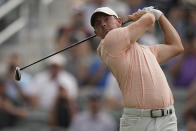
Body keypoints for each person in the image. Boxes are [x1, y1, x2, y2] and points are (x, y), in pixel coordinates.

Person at [90, 6, 184, 131]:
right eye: (97, 23)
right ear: (96, 33)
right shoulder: (109, 42)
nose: (103, 24)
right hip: (139, 121)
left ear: (119, 21)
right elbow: (149, 19)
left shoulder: (146, 50)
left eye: (106, 19)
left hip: (167, 119)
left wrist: (161, 16)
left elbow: (176, 46)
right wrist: (147, 13)